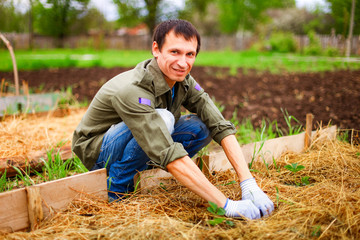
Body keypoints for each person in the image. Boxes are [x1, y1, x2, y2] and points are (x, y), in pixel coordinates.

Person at [72, 19, 274, 219]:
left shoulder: (182, 79)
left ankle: (143, 169)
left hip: (142, 140)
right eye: (174, 52)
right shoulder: (133, 89)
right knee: (164, 119)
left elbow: (218, 123)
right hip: (97, 150)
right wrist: (225, 204)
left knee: (203, 125)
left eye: (190, 54)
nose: (183, 63)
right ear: (156, 49)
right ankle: (117, 188)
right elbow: (166, 149)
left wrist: (248, 184)